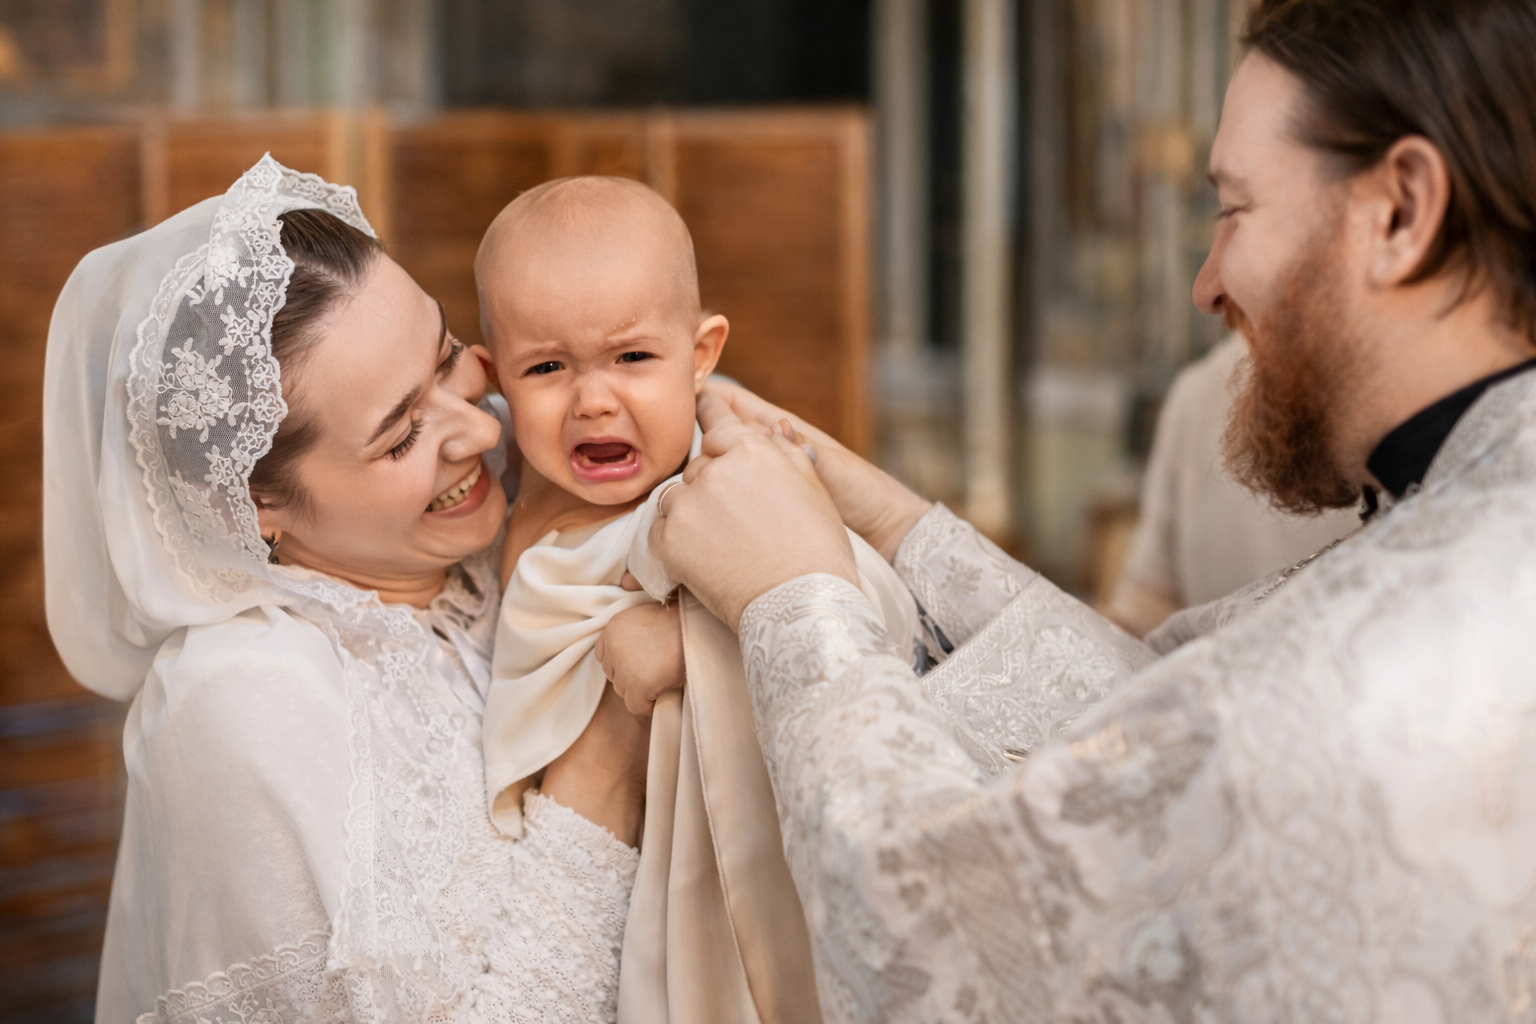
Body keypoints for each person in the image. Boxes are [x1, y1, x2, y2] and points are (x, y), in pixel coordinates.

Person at [637, 1, 1536, 1020]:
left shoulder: (1386, 653)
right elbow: (1158, 733)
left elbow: (941, 940)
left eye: (1234, 210)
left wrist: (796, 601)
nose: (1205, 285)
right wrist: (890, 524)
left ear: (1402, 210)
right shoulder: (1484, 508)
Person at [43, 157, 652, 1022]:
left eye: (448, 360)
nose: (481, 427)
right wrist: (606, 758)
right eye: (402, 436)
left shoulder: (524, 494)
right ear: (257, 504)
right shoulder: (243, 704)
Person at [473, 176, 919, 1023]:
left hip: (714, 879)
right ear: (498, 378)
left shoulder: (726, 488)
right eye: (546, 367)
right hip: (579, 872)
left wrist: (692, 640)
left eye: (633, 358)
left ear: (702, 352)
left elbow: (861, 603)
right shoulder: (498, 503)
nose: (594, 398)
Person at [1106, 332, 1359, 637]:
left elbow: (1144, 613)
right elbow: (1146, 609)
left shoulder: (1194, 390)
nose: (1206, 294)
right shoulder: (1196, 393)